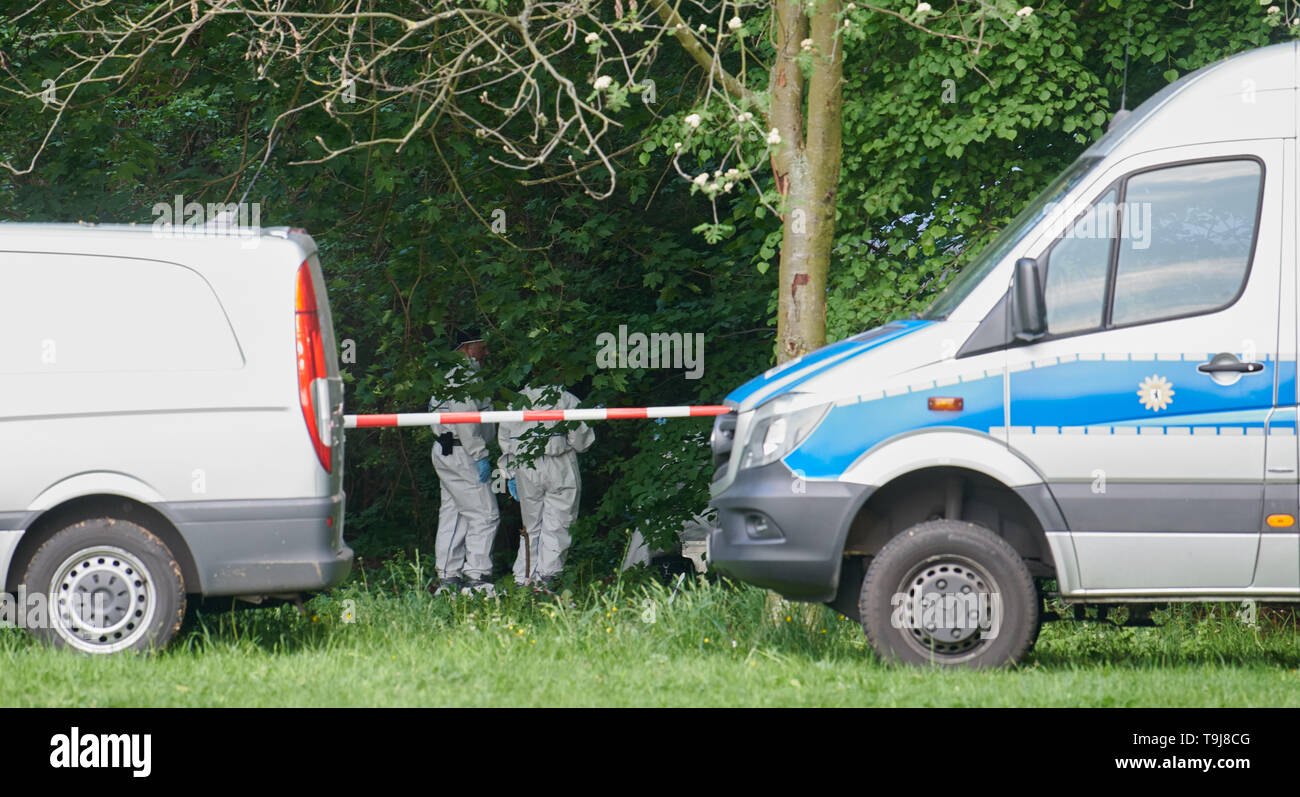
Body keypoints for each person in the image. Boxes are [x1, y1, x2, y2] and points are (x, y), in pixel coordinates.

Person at [497, 384, 595, 590]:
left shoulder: (516, 402)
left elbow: (505, 441)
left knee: (531, 525)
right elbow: (581, 442)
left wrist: (510, 473)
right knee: (559, 522)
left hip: (526, 466)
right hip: (559, 464)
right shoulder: (567, 399)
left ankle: (523, 578)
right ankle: (548, 577)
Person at [429, 332, 500, 596]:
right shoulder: (463, 375)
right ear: (469, 347)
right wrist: (480, 454)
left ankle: (448, 577)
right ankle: (477, 577)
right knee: (485, 514)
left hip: (448, 449)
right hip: (463, 452)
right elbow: (466, 419)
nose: (487, 353)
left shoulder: (444, 371)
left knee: (455, 513)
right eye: (483, 346)